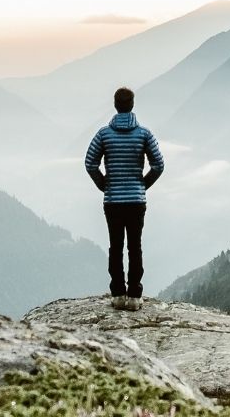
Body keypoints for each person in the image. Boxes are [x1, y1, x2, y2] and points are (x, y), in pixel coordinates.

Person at [85, 86, 165, 299]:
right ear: (132, 105)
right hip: (136, 201)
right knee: (135, 247)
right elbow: (158, 164)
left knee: (116, 246)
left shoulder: (103, 134)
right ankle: (134, 295)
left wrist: (104, 184)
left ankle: (118, 293)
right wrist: (142, 185)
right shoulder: (144, 134)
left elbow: (90, 162)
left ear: (115, 105)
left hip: (112, 201)